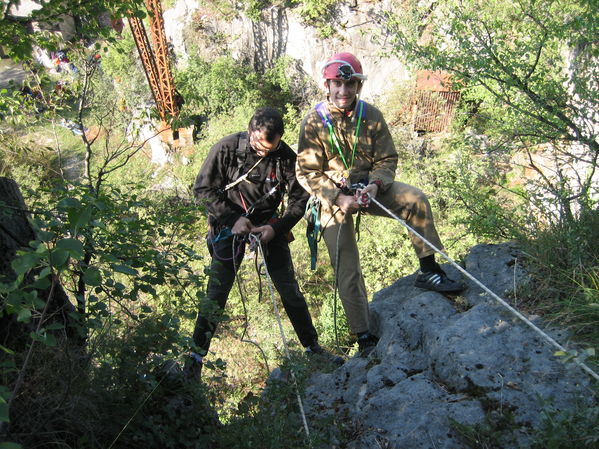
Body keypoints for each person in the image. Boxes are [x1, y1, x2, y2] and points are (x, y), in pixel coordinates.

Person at [295, 52, 464, 354]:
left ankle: (429, 269)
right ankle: (364, 335)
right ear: (328, 85)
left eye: (349, 85)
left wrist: (375, 185)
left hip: (367, 187)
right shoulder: (314, 122)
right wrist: (339, 197)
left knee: (415, 200)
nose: (343, 91)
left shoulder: (370, 116)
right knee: (347, 268)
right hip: (333, 196)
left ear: (357, 86)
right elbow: (307, 172)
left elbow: (387, 158)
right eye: (337, 84)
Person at [187, 107, 343, 380]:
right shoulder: (226, 149)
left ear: (280, 139)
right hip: (229, 226)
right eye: (259, 147)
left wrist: (276, 228)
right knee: (216, 295)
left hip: (268, 226)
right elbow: (202, 190)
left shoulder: (285, 159)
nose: (263, 153)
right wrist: (233, 219)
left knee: (289, 290)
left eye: (270, 149)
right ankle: (194, 359)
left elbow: (298, 201)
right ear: (250, 133)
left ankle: (312, 346)